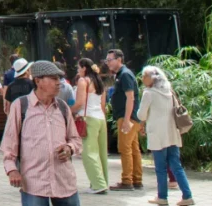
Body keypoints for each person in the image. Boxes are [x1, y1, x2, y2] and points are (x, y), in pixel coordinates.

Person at [2, 60, 82, 206]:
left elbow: (75, 139)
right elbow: (9, 143)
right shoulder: (20, 106)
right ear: (38, 81)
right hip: (34, 182)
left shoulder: (62, 108)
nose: (59, 83)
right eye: (53, 78)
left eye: (59, 79)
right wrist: (12, 170)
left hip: (64, 180)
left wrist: (69, 148)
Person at [138, 66, 195, 206]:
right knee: (176, 166)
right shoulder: (169, 91)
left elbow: (141, 115)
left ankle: (162, 197)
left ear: (153, 78)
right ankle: (187, 196)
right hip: (172, 134)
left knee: (160, 168)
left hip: (158, 135)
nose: (142, 78)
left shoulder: (148, 93)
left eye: (144, 75)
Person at [105, 49, 142, 191]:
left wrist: (126, 120)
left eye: (110, 59)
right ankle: (136, 179)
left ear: (119, 59)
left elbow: (130, 98)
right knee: (133, 148)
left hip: (128, 117)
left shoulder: (125, 75)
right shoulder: (122, 75)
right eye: (107, 60)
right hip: (130, 117)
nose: (108, 63)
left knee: (125, 148)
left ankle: (127, 181)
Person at [73, 58, 108, 195]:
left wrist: (69, 110)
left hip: (88, 118)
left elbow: (80, 103)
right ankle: (101, 181)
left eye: (78, 68)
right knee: (101, 152)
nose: (77, 70)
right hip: (100, 118)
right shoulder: (99, 82)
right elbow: (103, 105)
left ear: (84, 68)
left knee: (88, 152)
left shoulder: (83, 81)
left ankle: (98, 184)